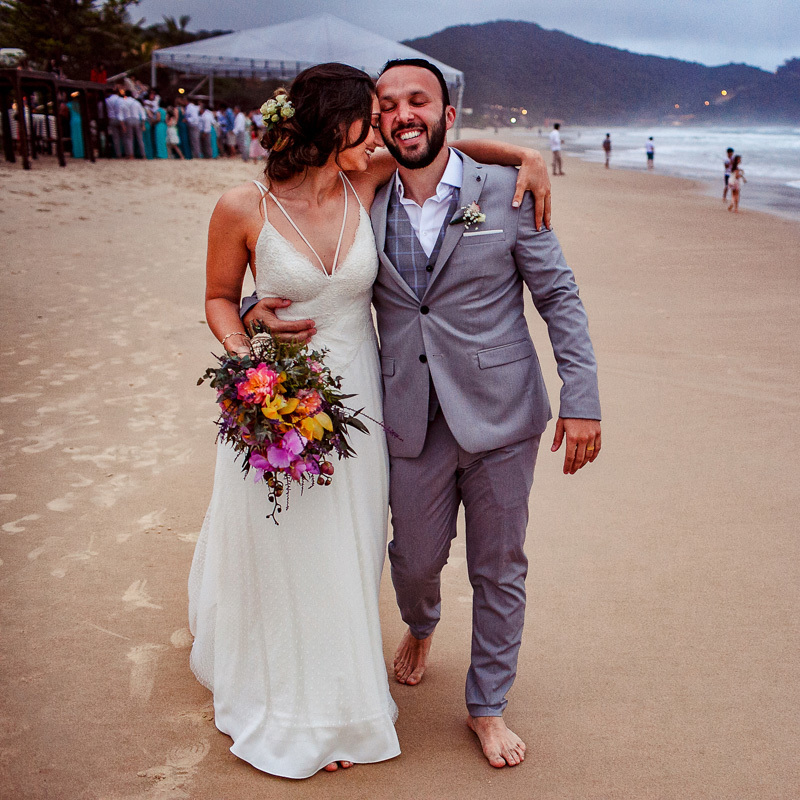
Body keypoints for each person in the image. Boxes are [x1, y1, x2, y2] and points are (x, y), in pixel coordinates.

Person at [195, 61, 556, 779]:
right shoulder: (242, 206)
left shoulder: (365, 180)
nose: (384, 129)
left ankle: (342, 693)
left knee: (351, 549)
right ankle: (292, 700)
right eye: (371, 115)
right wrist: (249, 360)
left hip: (362, 397)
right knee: (285, 544)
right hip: (279, 394)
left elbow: (449, 145)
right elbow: (217, 299)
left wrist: (526, 155)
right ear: (337, 124)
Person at [104, 89, 124, 158]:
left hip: (112, 118)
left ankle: (118, 154)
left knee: (115, 138)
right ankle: (125, 152)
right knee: (124, 137)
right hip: (121, 118)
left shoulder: (107, 100)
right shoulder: (121, 100)